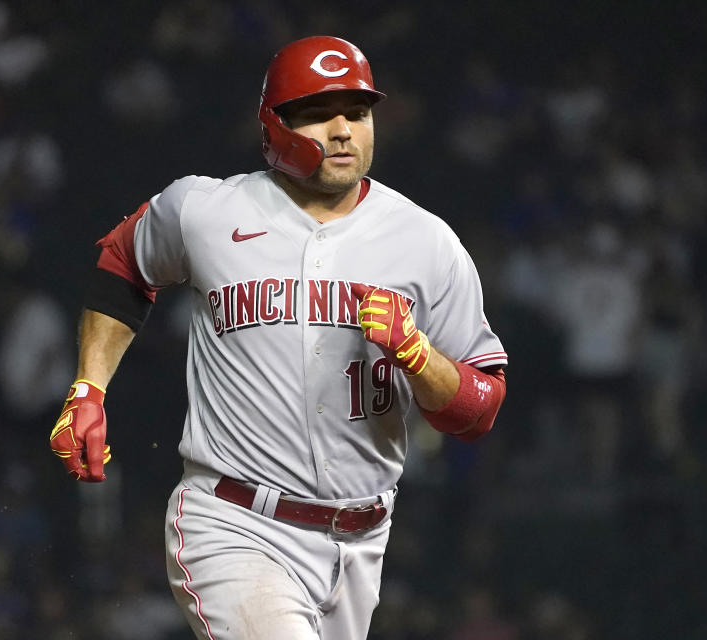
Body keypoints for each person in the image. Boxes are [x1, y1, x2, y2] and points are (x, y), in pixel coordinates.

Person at [48, 35, 508, 640]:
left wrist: (419, 358)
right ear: (274, 124)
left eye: (359, 112)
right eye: (320, 113)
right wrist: (89, 386)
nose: (344, 130)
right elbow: (123, 263)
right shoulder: (205, 210)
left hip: (362, 539)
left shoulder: (427, 243)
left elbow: (479, 409)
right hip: (234, 521)